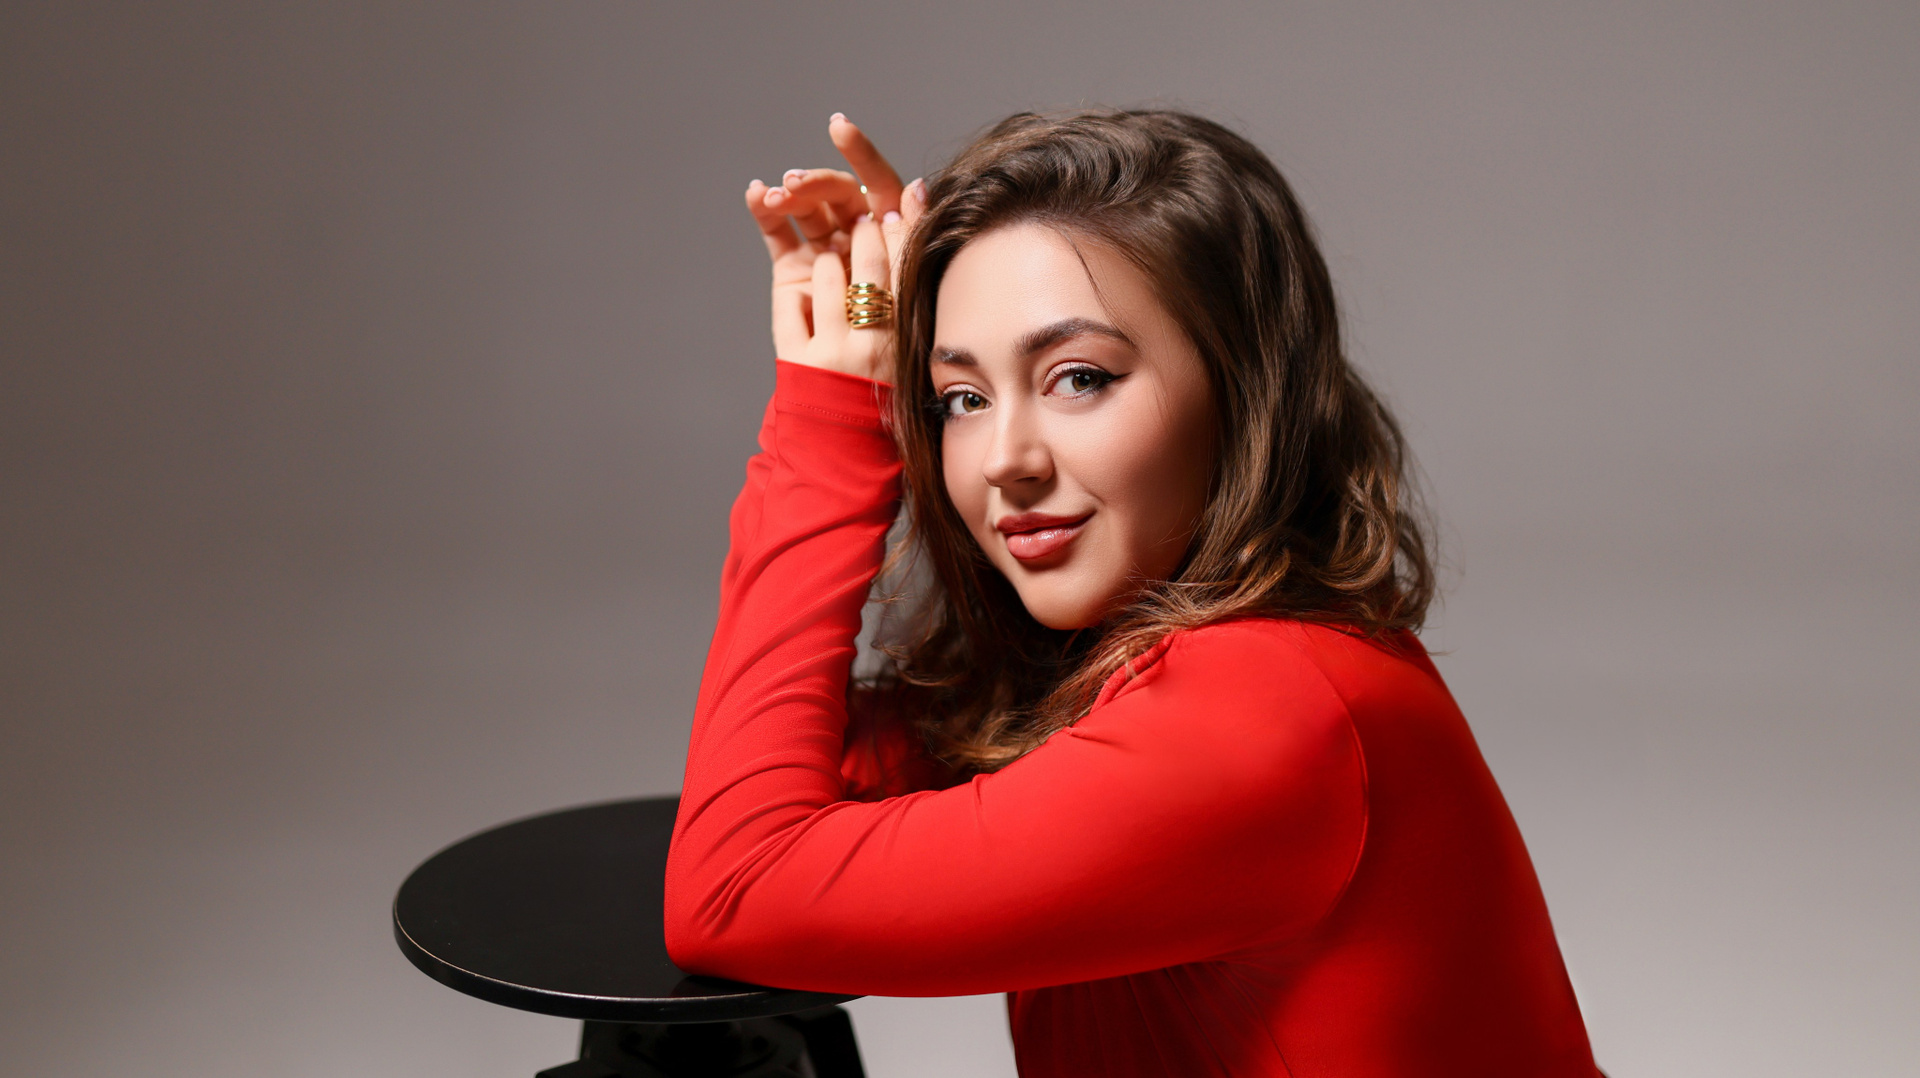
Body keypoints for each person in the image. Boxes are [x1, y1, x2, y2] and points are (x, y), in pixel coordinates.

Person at [664, 108, 1600, 1077]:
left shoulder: (1262, 716)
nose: (1006, 461)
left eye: (1078, 378)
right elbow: (778, 772)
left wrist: (830, 423)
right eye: (961, 399)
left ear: (1240, 389)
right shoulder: (1145, 662)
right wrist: (871, 335)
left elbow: (731, 887)